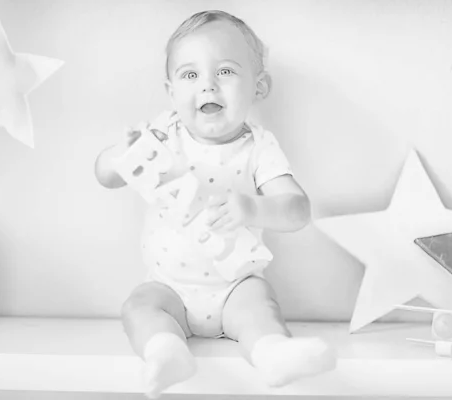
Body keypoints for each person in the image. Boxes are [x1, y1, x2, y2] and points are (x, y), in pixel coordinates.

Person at [95, 10, 336, 399]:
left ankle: (273, 355)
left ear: (258, 88)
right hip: (168, 287)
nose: (207, 85)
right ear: (171, 90)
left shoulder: (258, 148)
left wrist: (253, 208)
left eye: (224, 71)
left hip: (235, 286)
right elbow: (105, 177)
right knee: (138, 307)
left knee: (259, 306)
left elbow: (297, 209)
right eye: (190, 75)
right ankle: (166, 352)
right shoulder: (163, 135)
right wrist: (118, 155)